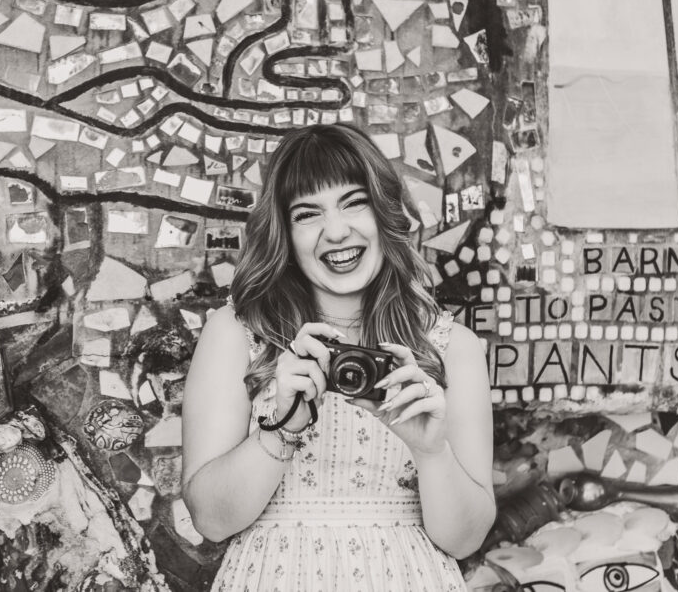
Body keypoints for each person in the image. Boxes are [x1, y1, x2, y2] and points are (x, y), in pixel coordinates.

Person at [182, 124, 496, 591]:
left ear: (384, 211)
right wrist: (284, 427)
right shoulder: (238, 333)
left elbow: (465, 540)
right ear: (285, 233)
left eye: (354, 202)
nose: (336, 231)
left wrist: (431, 453)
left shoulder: (452, 348)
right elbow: (211, 520)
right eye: (308, 214)